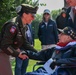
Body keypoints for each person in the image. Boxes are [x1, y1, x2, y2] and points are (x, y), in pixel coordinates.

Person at [0, 4, 38, 75]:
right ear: (24, 14)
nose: (33, 19)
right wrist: (18, 54)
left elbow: (24, 42)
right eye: (32, 16)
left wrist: (37, 52)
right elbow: (5, 45)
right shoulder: (13, 26)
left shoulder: (23, 26)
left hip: (6, 52)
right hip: (2, 52)